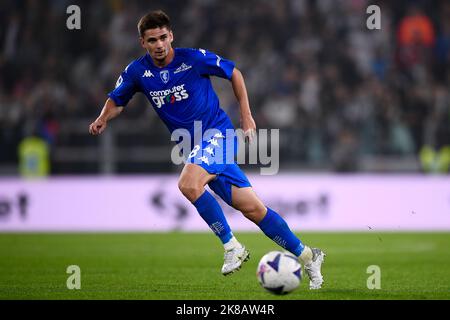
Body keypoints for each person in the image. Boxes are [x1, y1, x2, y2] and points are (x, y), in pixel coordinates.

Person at [89, 10, 325, 289]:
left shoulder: (193, 59)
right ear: (143, 42)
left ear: (171, 35)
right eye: (152, 40)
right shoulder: (137, 72)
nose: (159, 44)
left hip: (218, 135)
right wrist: (103, 117)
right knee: (253, 210)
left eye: (163, 37)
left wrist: (246, 116)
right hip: (196, 151)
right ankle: (309, 256)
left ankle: (232, 246)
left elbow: (234, 72)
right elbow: (117, 100)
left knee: (188, 184)